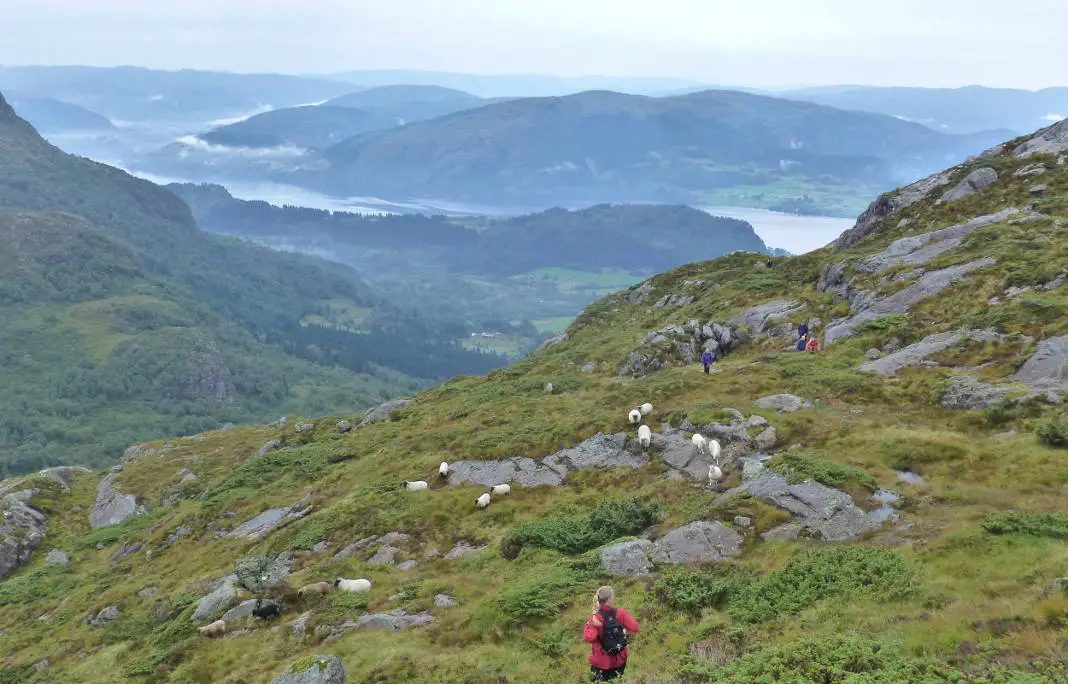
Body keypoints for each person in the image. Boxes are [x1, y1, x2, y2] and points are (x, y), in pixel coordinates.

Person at [584, 586, 640, 681]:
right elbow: (635, 627)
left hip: (600, 662)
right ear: (610, 599)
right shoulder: (621, 613)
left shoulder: (595, 617)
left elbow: (590, 637)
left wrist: (588, 625)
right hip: (620, 660)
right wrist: (623, 629)